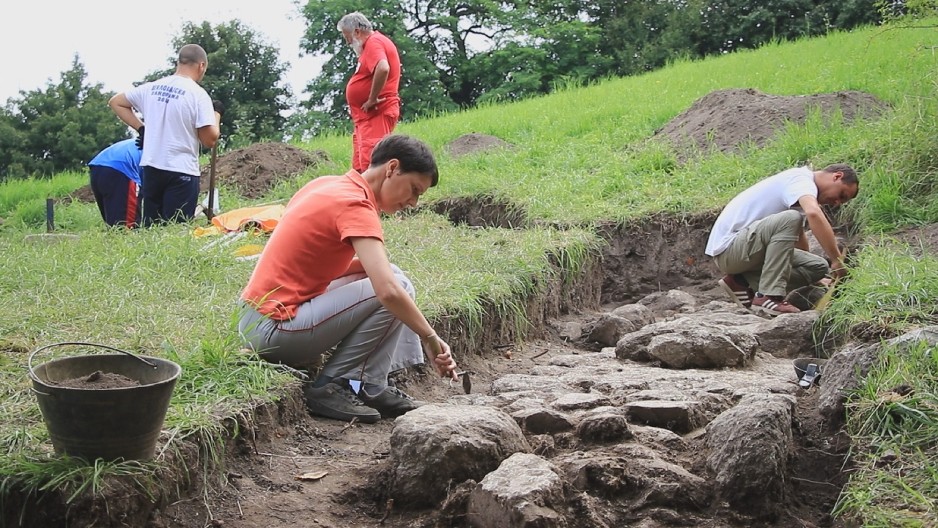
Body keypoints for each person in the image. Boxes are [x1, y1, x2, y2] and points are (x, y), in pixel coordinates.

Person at [238, 134, 458, 424]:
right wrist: (429, 337)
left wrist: (375, 272)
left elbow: (314, 262)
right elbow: (388, 292)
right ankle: (334, 384)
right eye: (414, 190)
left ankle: (370, 385)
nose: (414, 203)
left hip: (256, 318)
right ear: (392, 168)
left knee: (391, 274)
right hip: (272, 329)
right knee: (394, 286)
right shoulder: (355, 204)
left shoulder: (329, 184)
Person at [705, 163, 859, 316]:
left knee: (817, 266)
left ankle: (741, 282)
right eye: (841, 195)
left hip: (747, 251)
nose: (837, 203)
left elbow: (798, 238)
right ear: (837, 176)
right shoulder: (801, 180)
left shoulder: (798, 195)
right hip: (729, 250)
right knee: (791, 218)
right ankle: (769, 296)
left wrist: (814, 280)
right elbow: (814, 214)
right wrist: (836, 259)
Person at [108, 43, 223, 226]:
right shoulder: (198, 95)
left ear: (179, 62)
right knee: (175, 232)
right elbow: (209, 139)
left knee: (152, 230)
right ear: (201, 66)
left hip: (151, 167)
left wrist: (141, 128)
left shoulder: (151, 88)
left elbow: (116, 102)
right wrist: (216, 115)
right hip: (181, 171)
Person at [338, 12, 401, 173]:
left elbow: (383, 67)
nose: (348, 43)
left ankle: (374, 198)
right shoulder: (370, 47)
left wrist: (372, 98)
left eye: (348, 38)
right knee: (359, 168)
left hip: (376, 114)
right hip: (365, 118)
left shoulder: (374, 42)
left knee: (371, 164)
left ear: (357, 31)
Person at [88, 138, 143, 228]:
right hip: (122, 169)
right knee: (126, 228)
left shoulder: (144, 142)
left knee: (113, 224)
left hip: (97, 167)